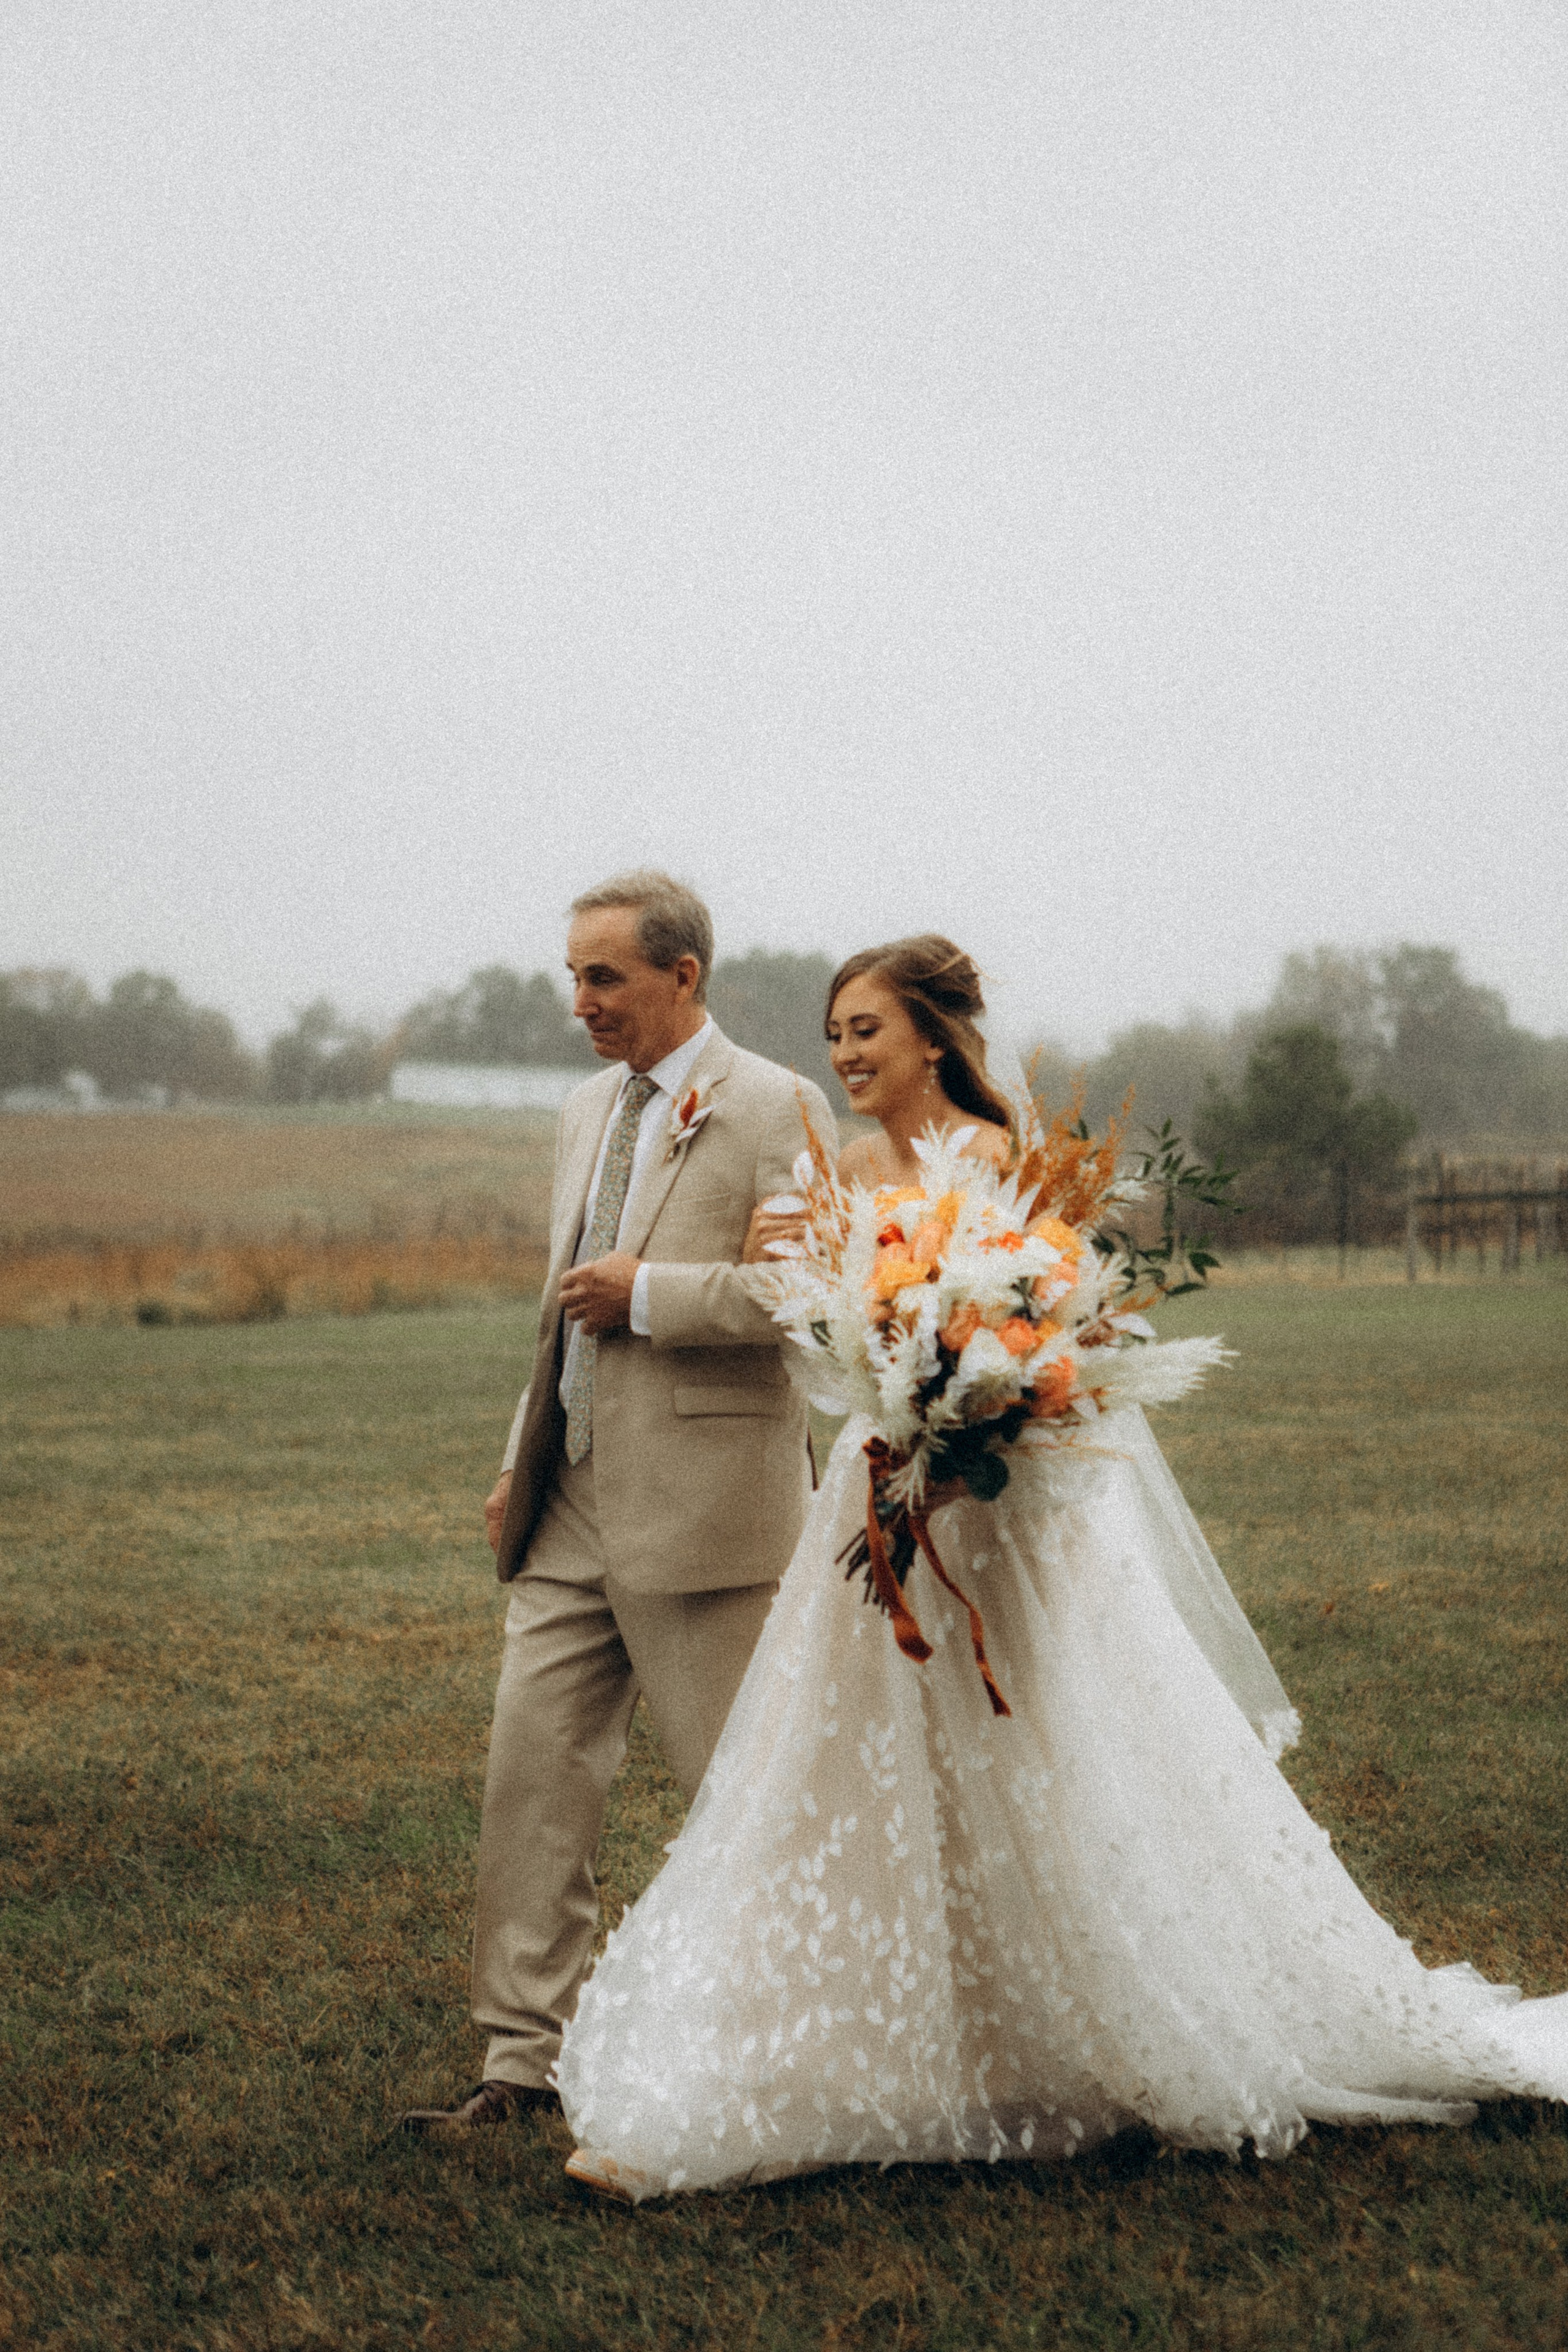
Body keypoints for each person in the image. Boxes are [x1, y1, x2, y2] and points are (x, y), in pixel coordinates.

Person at [555, 933, 1568, 2200]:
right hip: (875, 1496)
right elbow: (806, 1321)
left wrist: (979, 1396)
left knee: (1038, 1752)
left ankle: (1097, 2029)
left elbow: (1067, 1335)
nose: (843, 1057)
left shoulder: (1002, 1163)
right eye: (830, 1037)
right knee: (830, 1769)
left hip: (1005, 1514)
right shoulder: (839, 1167)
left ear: (931, 1036)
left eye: (863, 1031)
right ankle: (751, 2073)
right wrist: (847, 1333)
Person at [401, 871, 835, 2131]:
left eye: (605, 978)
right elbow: (558, 1304)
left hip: (710, 1512)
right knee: (529, 1781)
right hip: (566, 1500)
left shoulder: (776, 1107)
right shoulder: (585, 1108)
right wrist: (514, 1459)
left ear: (682, 976)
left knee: (743, 1796)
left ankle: (795, 2058)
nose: (580, 1004)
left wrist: (649, 1291)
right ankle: (520, 2065)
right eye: (573, 978)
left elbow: (795, 1303)